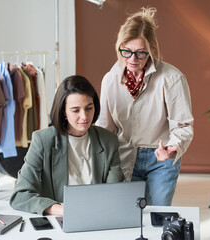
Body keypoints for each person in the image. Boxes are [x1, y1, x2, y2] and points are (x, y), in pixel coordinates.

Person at [96, 7, 194, 206]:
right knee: (126, 218)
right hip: (123, 155)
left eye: (140, 53)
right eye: (127, 52)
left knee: (156, 217)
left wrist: (172, 149)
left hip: (160, 160)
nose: (132, 59)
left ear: (151, 49)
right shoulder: (110, 80)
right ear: (119, 47)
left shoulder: (172, 78)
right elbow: (105, 127)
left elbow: (183, 126)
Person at [10, 75, 124, 215]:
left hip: (99, 215)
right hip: (60, 218)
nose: (84, 117)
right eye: (75, 110)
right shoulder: (43, 140)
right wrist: (64, 211)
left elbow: (116, 192)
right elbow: (20, 196)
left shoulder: (108, 141)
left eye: (89, 108)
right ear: (63, 110)